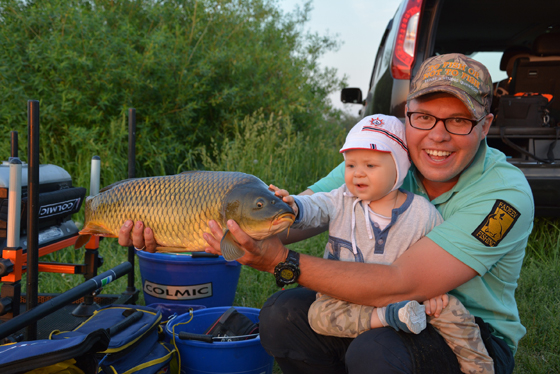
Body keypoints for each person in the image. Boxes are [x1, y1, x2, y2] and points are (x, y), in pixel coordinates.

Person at [119, 54, 534, 374]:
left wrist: (283, 263)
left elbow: (400, 284)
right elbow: (294, 219)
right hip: (367, 309)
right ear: (407, 115)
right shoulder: (379, 155)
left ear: (485, 124)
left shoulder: (505, 196)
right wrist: (188, 229)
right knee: (280, 315)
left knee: (377, 351)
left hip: (466, 331)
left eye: (459, 120)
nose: (437, 135)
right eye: (423, 116)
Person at [270, 113, 494, 373]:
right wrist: (294, 206)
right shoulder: (340, 200)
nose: (358, 174)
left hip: (411, 296)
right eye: (351, 165)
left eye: (370, 166)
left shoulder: (422, 213)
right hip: (345, 298)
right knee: (319, 316)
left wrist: (436, 293)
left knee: (454, 314)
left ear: (399, 168)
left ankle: (479, 366)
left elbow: (439, 260)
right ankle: (388, 318)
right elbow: (314, 206)